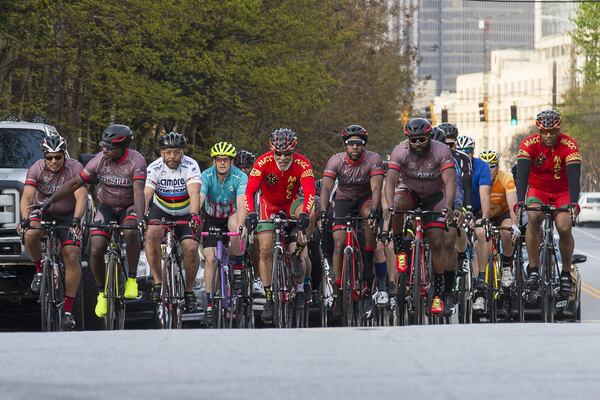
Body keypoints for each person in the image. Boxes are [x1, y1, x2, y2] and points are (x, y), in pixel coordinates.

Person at [42, 124, 147, 318]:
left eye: (109, 147)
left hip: (129, 207)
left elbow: (139, 192)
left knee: (131, 231)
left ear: (123, 147)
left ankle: (132, 279)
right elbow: (75, 183)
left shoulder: (136, 161)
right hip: (106, 208)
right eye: (103, 146)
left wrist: (140, 218)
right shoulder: (99, 160)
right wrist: (49, 201)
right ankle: (102, 293)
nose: (104, 150)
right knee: (96, 249)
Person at [385, 118, 456, 315]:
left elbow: (449, 180)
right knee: (398, 206)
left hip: (435, 196)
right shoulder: (399, 151)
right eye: (413, 140)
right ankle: (400, 249)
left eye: (422, 139)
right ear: (407, 139)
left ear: (429, 137)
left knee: (436, 241)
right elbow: (390, 182)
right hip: (411, 192)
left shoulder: (441, 150)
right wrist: (389, 205)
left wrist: (449, 206)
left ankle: (438, 295)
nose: (417, 144)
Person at [244, 128, 316, 324]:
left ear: (293, 151)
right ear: (272, 151)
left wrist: (304, 214)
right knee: (265, 249)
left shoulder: (302, 163)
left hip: (292, 203)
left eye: (287, 154)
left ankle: (297, 259)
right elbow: (250, 191)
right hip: (270, 205)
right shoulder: (263, 162)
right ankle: (268, 299)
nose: (283, 158)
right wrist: (251, 212)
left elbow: (310, 192)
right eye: (279, 153)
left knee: (310, 215)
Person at [19, 134, 87, 330]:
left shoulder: (74, 168)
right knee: (31, 233)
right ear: (44, 157)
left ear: (64, 155)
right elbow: (27, 198)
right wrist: (25, 220)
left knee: (72, 255)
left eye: (58, 157)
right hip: (42, 211)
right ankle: (39, 270)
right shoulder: (36, 169)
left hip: (67, 214)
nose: (54, 161)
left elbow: (81, 196)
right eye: (49, 157)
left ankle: (67, 310)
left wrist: (76, 220)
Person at [319, 124, 386, 320]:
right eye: (351, 144)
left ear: (364, 145)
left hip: (365, 199)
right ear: (345, 146)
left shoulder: (373, 159)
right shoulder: (336, 161)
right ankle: (338, 293)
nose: (355, 147)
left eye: (359, 144)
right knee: (339, 243)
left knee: (368, 220)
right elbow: (326, 188)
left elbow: (376, 187)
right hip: (344, 200)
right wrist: (323, 211)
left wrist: (375, 210)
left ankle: (367, 267)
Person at [516, 109, 581, 297]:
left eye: (553, 131)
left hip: (563, 191)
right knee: (534, 216)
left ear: (558, 129)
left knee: (564, 226)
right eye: (544, 131)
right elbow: (522, 176)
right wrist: (521, 200)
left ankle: (566, 273)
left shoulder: (569, 145)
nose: (549, 135)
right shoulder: (528, 144)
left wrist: (574, 203)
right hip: (539, 190)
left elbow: (574, 177)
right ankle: (534, 269)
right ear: (539, 130)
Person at [144, 132, 202, 311]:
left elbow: (194, 193)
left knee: (191, 248)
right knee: (152, 234)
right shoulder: (154, 167)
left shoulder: (190, 165)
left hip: (185, 212)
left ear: (182, 152)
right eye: (168, 152)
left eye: (176, 152)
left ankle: (189, 290)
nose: (172, 156)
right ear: (162, 152)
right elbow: (146, 193)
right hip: (162, 210)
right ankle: (158, 282)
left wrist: (193, 215)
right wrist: (141, 213)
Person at [200, 141, 248, 320]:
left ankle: (236, 269)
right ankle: (211, 303)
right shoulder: (206, 175)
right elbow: (200, 196)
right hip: (212, 218)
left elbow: (242, 202)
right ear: (214, 161)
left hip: (232, 215)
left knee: (236, 227)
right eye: (219, 160)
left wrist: (242, 224)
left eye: (225, 160)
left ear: (232, 162)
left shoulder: (240, 176)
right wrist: (194, 216)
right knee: (211, 259)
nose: (222, 163)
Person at [474, 150, 520, 310]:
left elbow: (513, 203)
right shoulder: (477, 175)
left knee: (507, 231)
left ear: (498, 166)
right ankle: (477, 286)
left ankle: (506, 266)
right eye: (485, 166)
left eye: (492, 166)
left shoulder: (506, 177)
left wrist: (515, 224)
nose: (488, 170)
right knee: (478, 239)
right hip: (482, 214)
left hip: (501, 213)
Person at [456, 135, 492, 311]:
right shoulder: (453, 164)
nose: (465, 155)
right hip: (458, 210)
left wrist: (484, 218)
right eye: (461, 152)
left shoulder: (482, 167)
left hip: (476, 210)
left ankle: (481, 279)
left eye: (468, 152)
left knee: (481, 234)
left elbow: (485, 195)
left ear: (473, 152)